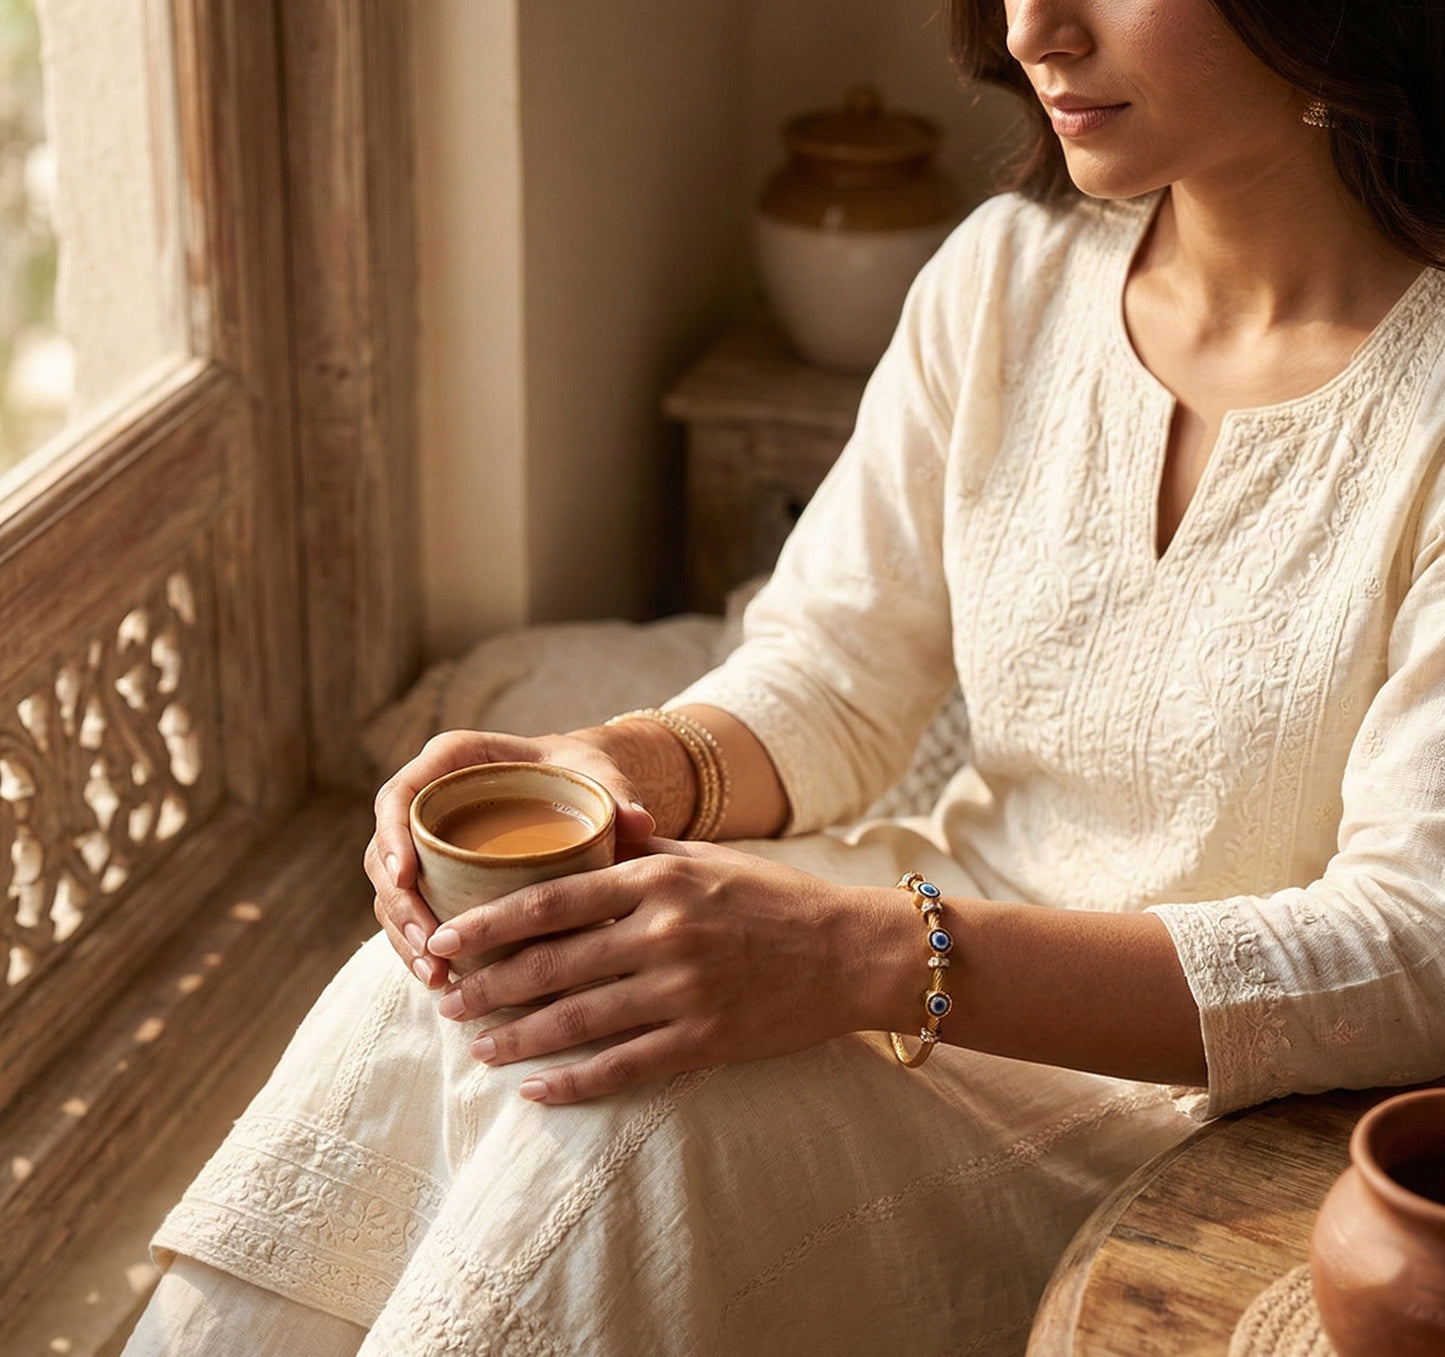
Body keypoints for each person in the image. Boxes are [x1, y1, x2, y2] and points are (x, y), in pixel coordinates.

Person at [124, 1, 1445, 1352]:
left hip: (1188, 1111)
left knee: (627, 1116)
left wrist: (859, 951)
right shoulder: (1008, 274)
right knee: (453, 984)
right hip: (920, 939)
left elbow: (1414, 946)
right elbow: (831, 676)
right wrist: (609, 767)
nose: (1035, 27)